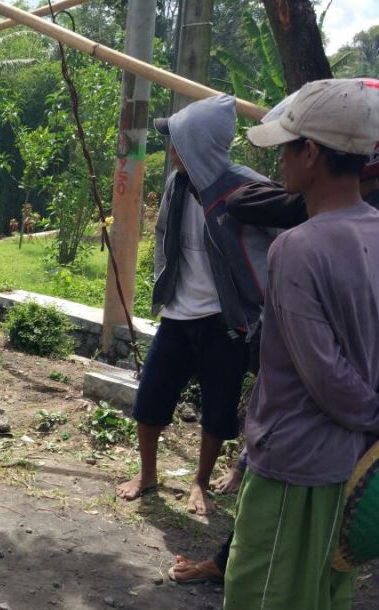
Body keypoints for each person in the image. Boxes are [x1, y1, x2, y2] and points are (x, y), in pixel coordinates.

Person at [223, 78, 379, 610]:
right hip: (358, 473)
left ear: (311, 153)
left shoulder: (297, 247)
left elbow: (325, 375)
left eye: (287, 148)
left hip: (297, 465)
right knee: (325, 595)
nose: (280, 163)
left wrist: (371, 415)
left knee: (260, 594)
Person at [116, 94, 276, 515]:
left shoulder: (247, 190)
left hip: (224, 321)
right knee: (150, 398)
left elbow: (288, 234)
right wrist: (162, 286)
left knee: (218, 409)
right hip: (178, 314)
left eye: (180, 143)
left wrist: (262, 302)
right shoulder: (178, 184)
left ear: (201, 146)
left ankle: (200, 484)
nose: (172, 152)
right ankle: (148, 474)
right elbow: (165, 238)